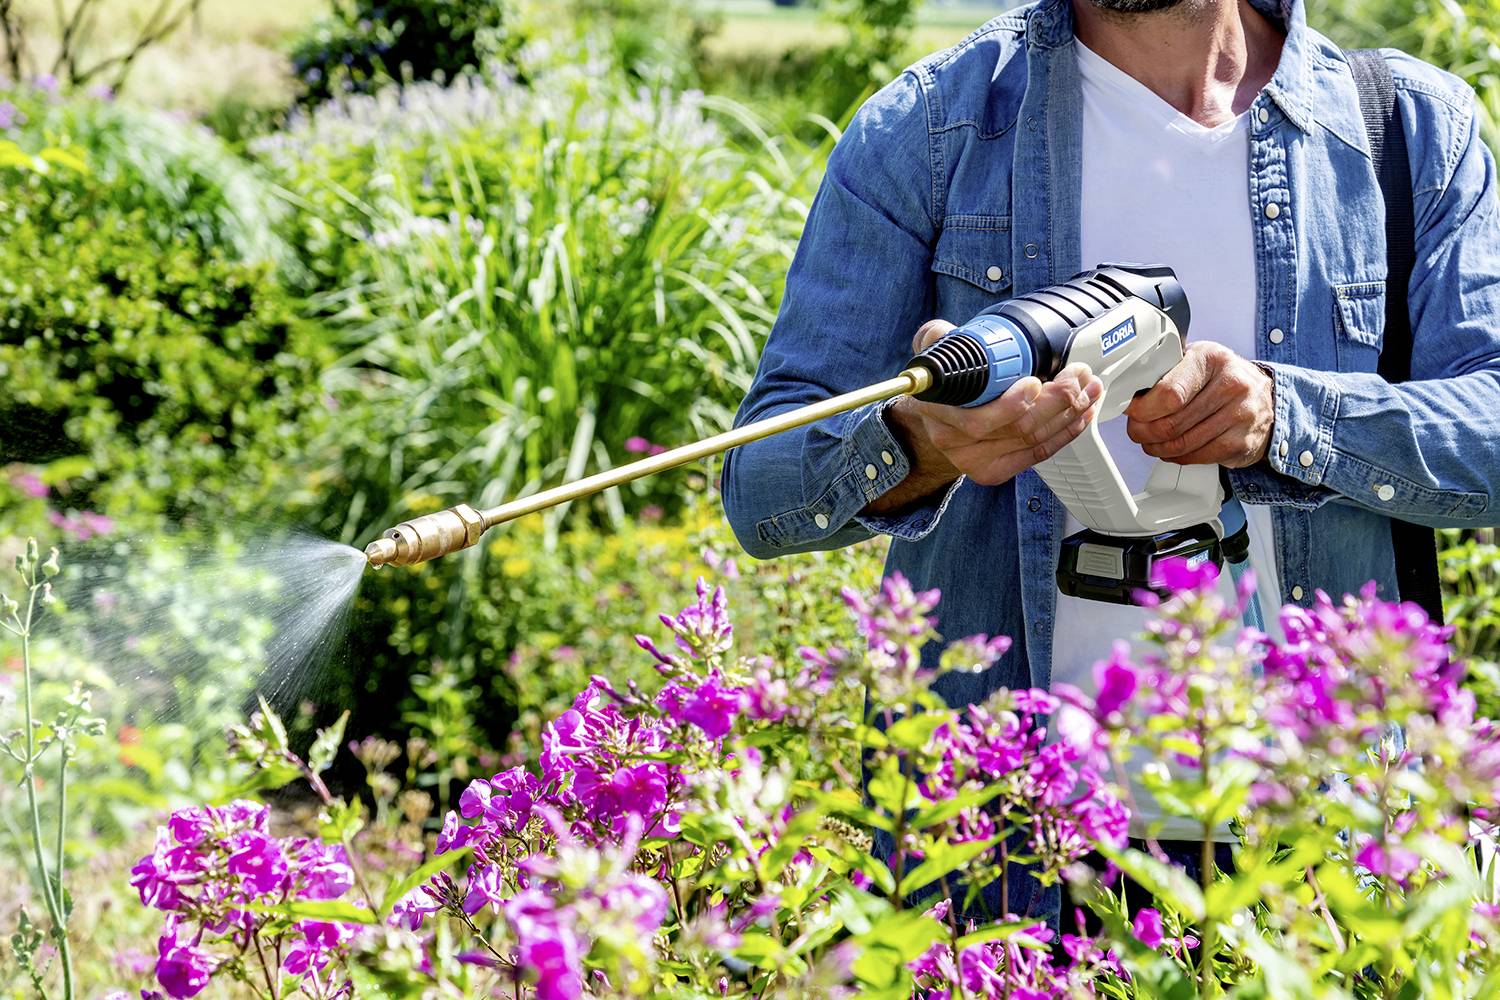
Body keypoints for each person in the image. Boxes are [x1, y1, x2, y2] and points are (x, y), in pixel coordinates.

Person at [720, 0, 1500, 921]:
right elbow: (759, 482)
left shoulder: (1406, 128)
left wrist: (1285, 417)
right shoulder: (927, 128)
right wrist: (920, 443)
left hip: (1329, 839)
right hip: (1010, 848)